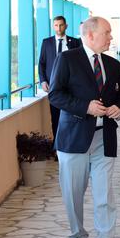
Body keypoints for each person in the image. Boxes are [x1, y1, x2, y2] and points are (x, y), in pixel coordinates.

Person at [48, 17, 120, 238]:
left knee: (104, 194)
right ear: (91, 35)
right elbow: (55, 95)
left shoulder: (113, 65)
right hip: (74, 139)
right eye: (107, 33)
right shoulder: (67, 59)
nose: (111, 37)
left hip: (104, 138)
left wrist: (119, 108)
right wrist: (85, 107)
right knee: (73, 194)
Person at [39, 16, 81, 144]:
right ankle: (58, 147)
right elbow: (41, 63)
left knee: (73, 116)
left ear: (66, 26)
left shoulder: (74, 42)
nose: (58, 28)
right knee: (56, 116)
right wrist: (43, 81)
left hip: (72, 86)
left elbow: (80, 64)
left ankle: (72, 142)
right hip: (53, 86)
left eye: (61, 25)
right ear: (53, 26)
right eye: (56, 25)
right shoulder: (47, 42)